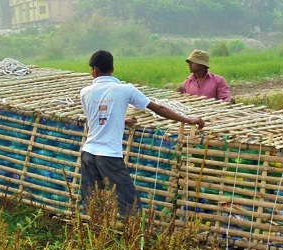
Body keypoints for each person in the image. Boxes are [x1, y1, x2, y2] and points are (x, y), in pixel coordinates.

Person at [80, 50, 205, 216]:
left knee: (92, 201)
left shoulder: (85, 92)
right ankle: (135, 237)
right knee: (129, 204)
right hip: (109, 155)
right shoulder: (125, 90)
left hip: (88, 153)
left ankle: (93, 235)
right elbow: (157, 108)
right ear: (112, 68)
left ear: (95, 70)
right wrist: (187, 120)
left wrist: (122, 120)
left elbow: (95, 118)